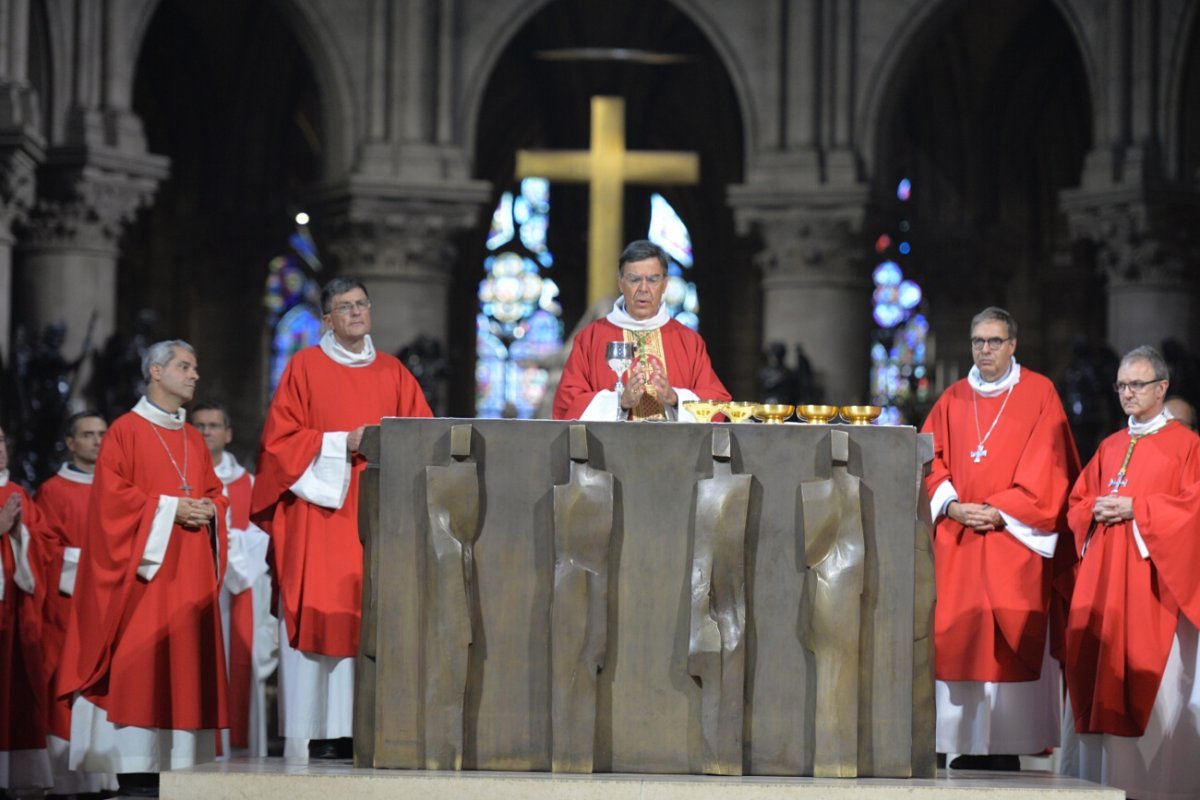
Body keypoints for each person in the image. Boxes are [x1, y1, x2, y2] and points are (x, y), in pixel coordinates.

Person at [251, 278, 433, 760]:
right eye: (343, 308)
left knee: (371, 615)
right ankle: (320, 732)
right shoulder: (304, 368)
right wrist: (339, 443)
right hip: (320, 514)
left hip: (377, 517)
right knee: (323, 613)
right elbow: (279, 443)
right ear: (326, 320)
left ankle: (371, 727)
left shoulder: (394, 373)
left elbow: (424, 439)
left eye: (361, 304)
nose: (355, 313)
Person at [57, 340, 229, 798]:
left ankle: (180, 772)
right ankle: (135, 777)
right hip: (144, 579)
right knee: (141, 668)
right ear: (156, 371)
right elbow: (111, 503)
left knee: (185, 670)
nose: (194, 375)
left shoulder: (192, 437)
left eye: (195, 367)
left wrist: (210, 510)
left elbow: (215, 492)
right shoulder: (125, 432)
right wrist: (172, 509)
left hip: (189, 573)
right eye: (184, 366)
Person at [921, 307, 1080, 770]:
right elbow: (928, 460)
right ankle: (958, 742)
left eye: (993, 341)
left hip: (1013, 540)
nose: (984, 350)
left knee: (1009, 636)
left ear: (1013, 345)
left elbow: (1051, 467)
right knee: (957, 635)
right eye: (977, 342)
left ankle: (1007, 744)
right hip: (960, 540)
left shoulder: (1039, 393)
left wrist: (1000, 509)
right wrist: (952, 506)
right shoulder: (951, 398)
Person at [1059, 346, 1200, 799]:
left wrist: (1138, 510)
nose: (1127, 393)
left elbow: (1193, 511)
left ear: (1162, 387)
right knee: (1095, 674)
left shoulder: (1187, 446)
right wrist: (1093, 511)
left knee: (1148, 689)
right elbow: (1077, 503)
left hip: (1151, 590)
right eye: (1121, 385)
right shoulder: (1110, 446)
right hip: (1103, 587)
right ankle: (1095, 786)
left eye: (1137, 384)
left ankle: (1152, 787)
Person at [553, 239, 730, 420]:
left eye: (653, 279)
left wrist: (675, 398)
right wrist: (620, 402)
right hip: (611, 447)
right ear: (621, 282)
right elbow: (567, 405)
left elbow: (716, 403)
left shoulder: (689, 341)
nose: (643, 289)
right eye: (634, 279)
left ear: (665, 284)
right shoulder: (590, 338)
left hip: (674, 447)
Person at [35, 411, 118, 795]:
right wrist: (93, 564)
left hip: (113, 606)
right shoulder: (53, 490)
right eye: (87, 435)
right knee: (68, 688)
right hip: (69, 608)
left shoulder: (119, 487)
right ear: (70, 443)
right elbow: (45, 551)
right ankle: (69, 781)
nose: (97, 441)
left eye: (102, 434)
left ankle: (108, 775)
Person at [192, 402, 277, 759]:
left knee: (239, 665)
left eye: (214, 425)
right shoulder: (182, 479)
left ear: (228, 434)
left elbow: (265, 537)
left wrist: (225, 541)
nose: (207, 431)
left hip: (242, 592)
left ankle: (241, 758)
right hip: (197, 591)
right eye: (199, 425)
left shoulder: (251, 484)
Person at [0, 425, 55, 797]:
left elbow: (45, 550)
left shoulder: (17, 492)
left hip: (11, 612)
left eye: (1, 441)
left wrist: (21, 536)